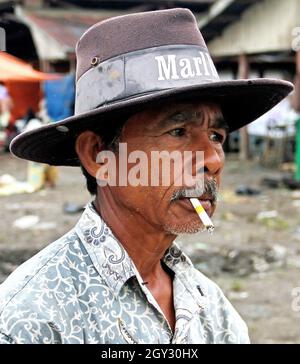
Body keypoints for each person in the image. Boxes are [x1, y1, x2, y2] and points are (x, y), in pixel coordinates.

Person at [0, 8, 293, 344]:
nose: (212, 160)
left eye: (216, 136)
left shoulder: (211, 309)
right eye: (179, 131)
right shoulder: (31, 320)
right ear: (99, 155)